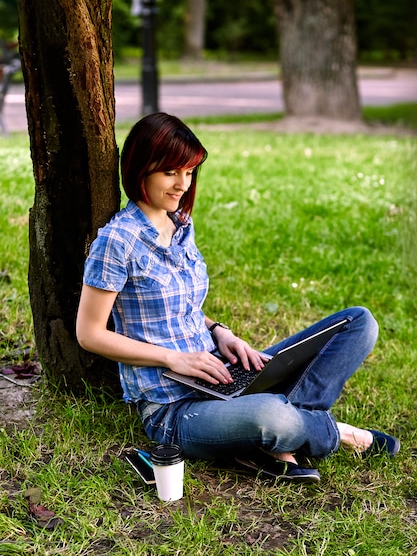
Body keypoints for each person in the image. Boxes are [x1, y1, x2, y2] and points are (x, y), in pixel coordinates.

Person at [76, 112, 400, 483]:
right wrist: (174, 358)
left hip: (220, 376)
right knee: (273, 417)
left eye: (190, 171)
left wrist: (221, 333)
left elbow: (182, 308)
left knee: (359, 323)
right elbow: (90, 334)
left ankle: (275, 436)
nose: (183, 183)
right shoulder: (116, 242)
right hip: (174, 408)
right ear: (140, 169)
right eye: (170, 172)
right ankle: (337, 434)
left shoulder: (180, 223)